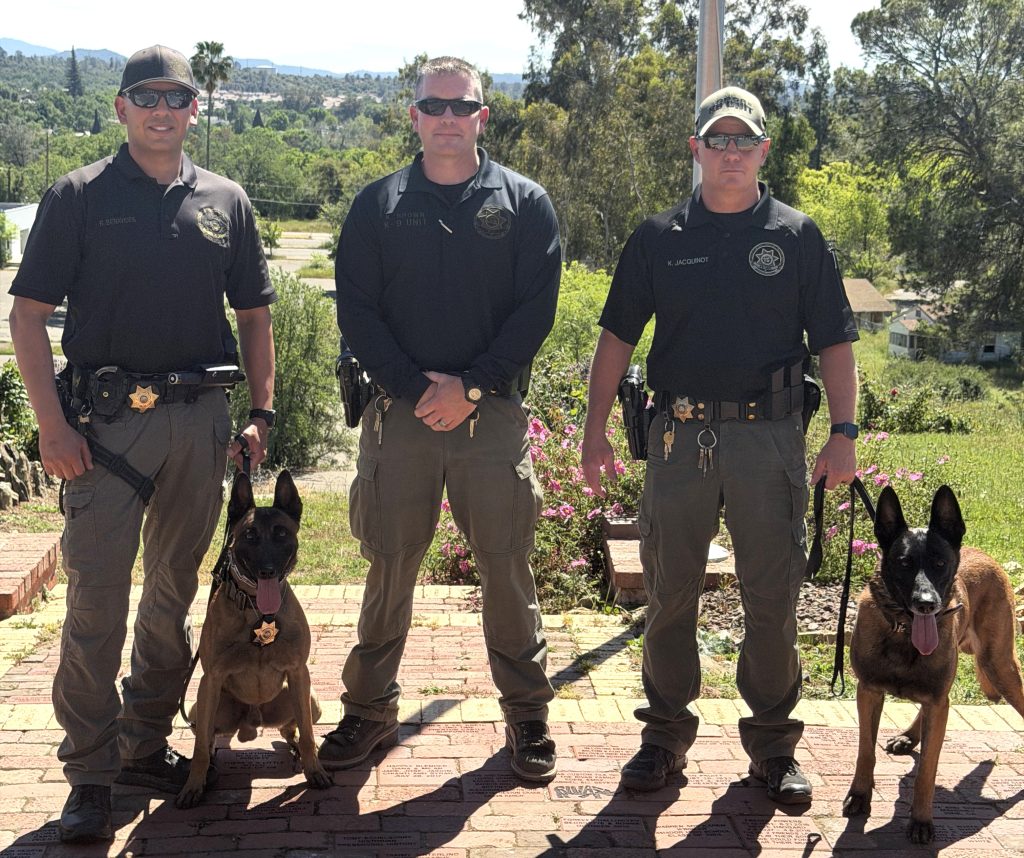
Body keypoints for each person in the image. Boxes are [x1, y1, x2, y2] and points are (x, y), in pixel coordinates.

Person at [8, 45, 276, 843]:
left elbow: (256, 316)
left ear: (196, 109)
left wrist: (263, 412)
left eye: (178, 98)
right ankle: (89, 774)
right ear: (121, 108)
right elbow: (27, 316)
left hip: (200, 422)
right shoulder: (79, 196)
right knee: (95, 601)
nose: (163, 111)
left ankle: (145, 741)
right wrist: (50, 424)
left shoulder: (226, 200)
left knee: (174, 594)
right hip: (104, 429)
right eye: (146, 97)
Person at [581, 86, 859, 804]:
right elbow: (616, 338)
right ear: (696, 150)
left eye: (744, 140)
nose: (730, 152)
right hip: (678, 440)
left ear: (764, 150)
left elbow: (834, 342)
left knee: (773, 597)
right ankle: (664, 737)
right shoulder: (658, 238)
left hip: (770, 442)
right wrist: (592, 431)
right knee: (671, 593)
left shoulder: (800, 237)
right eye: (717, 139)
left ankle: (772, 747)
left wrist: (843, 434)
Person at [322, 56, 561, 782]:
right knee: (389, 563)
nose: (450, 118)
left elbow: (535, 310)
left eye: (463, 107)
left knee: (505, 566)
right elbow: (357, 308)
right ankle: (368, 709)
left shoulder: (524, 204)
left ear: (483, 117)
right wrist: (412, 388)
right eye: (436, 106)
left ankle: (526, 715)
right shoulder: (378, 205)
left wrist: (474, 387)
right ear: (415, 116)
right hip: (401, 416)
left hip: (489, 418)